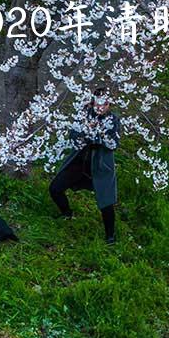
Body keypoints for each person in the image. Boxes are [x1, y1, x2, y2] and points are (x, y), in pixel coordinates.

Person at [49, 87, 120, 244]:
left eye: (105, 104)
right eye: (98, 103)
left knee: (106, 202)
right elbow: (73, 134)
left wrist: (99, 135)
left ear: (109, 105)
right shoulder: (84, 115)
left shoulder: (113, 120)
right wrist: (83, 135)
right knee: (55, 188)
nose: (100, 107)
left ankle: (110, 235)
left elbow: (114, 144)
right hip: (79, 162)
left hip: (100, 166)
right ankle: (67, 213)